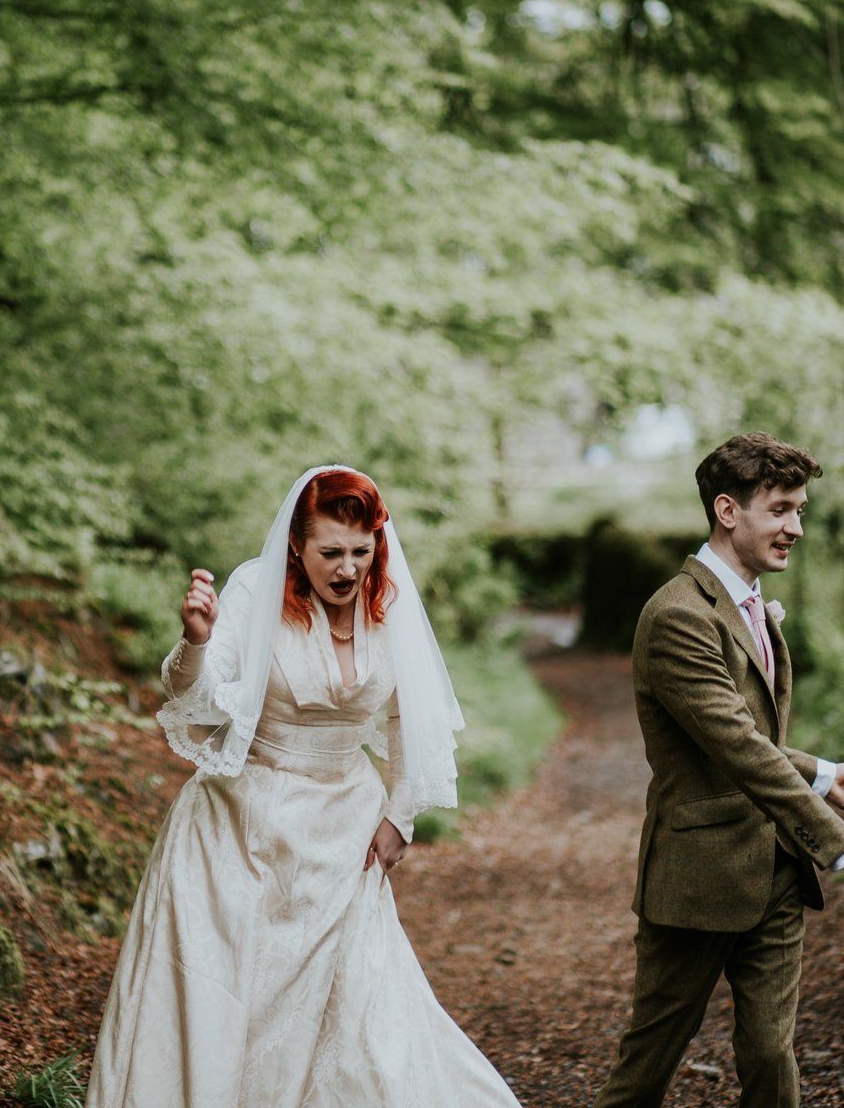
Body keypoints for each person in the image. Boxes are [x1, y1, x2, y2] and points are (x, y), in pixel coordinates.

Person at [84, 465, 521, 1107]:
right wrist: (196, 642)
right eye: (331, 553)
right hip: (240, 831)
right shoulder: (255, 588)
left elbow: (409, 717)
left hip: (344, 834)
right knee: (237, 994)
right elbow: (197, 699)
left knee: (361, 1005)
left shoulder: (388, 601)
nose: (348, 570)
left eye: (361, 552)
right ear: (297, 545)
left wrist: (401, 814)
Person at [592, 433, 844, 1108]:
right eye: (782, 509)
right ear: (728, 512)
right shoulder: (677, 615)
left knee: (769, 1054)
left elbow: (749, 738)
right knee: (648, 1063)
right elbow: (737, 746)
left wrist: (822, 771)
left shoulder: (753, 603)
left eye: (800, 509)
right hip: (698, 876)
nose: (796, 527)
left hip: (778, 870)